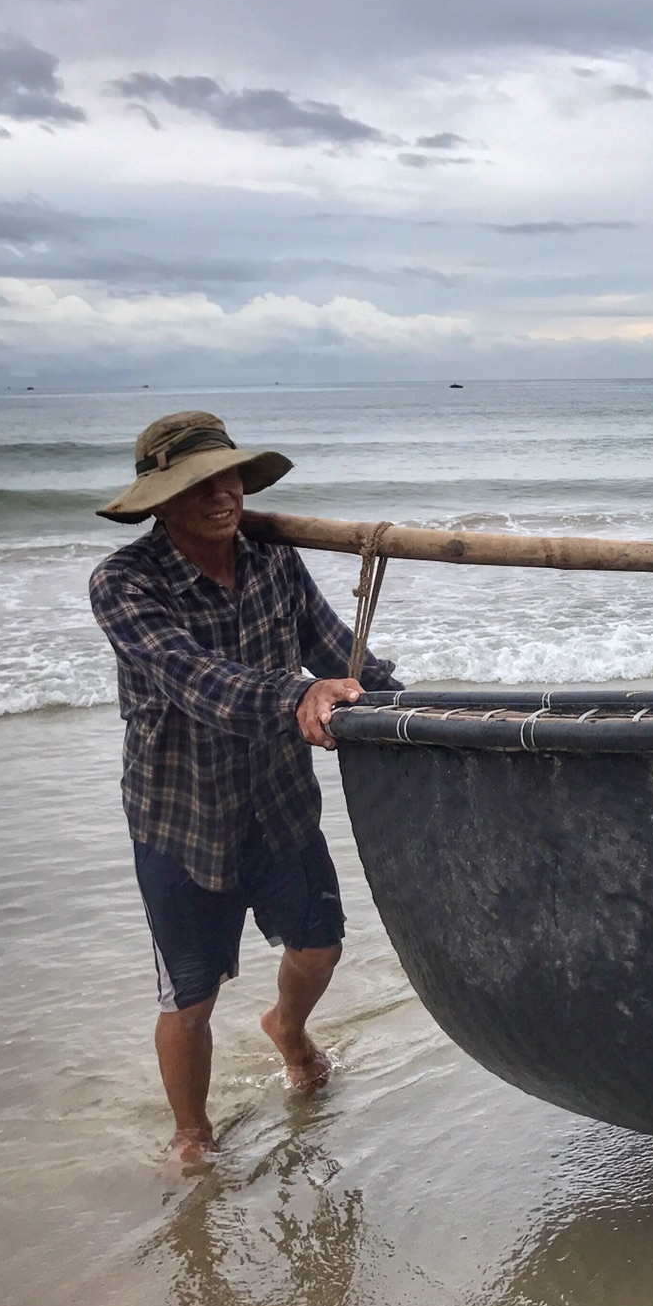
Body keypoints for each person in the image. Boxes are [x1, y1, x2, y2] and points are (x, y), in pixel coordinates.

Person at [90, 411, 401, 1163]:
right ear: (160, 502)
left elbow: (338, 654)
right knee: (190, 997)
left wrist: (415, 712)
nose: (222, 495)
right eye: (198, 484)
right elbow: (196, 682)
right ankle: (192, 1134)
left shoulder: (271, 558)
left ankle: (286, 1028)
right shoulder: (124, 583)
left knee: (320, 947)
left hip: (280, 801)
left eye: (229, 476)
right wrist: (296, 697)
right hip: (181, 818)